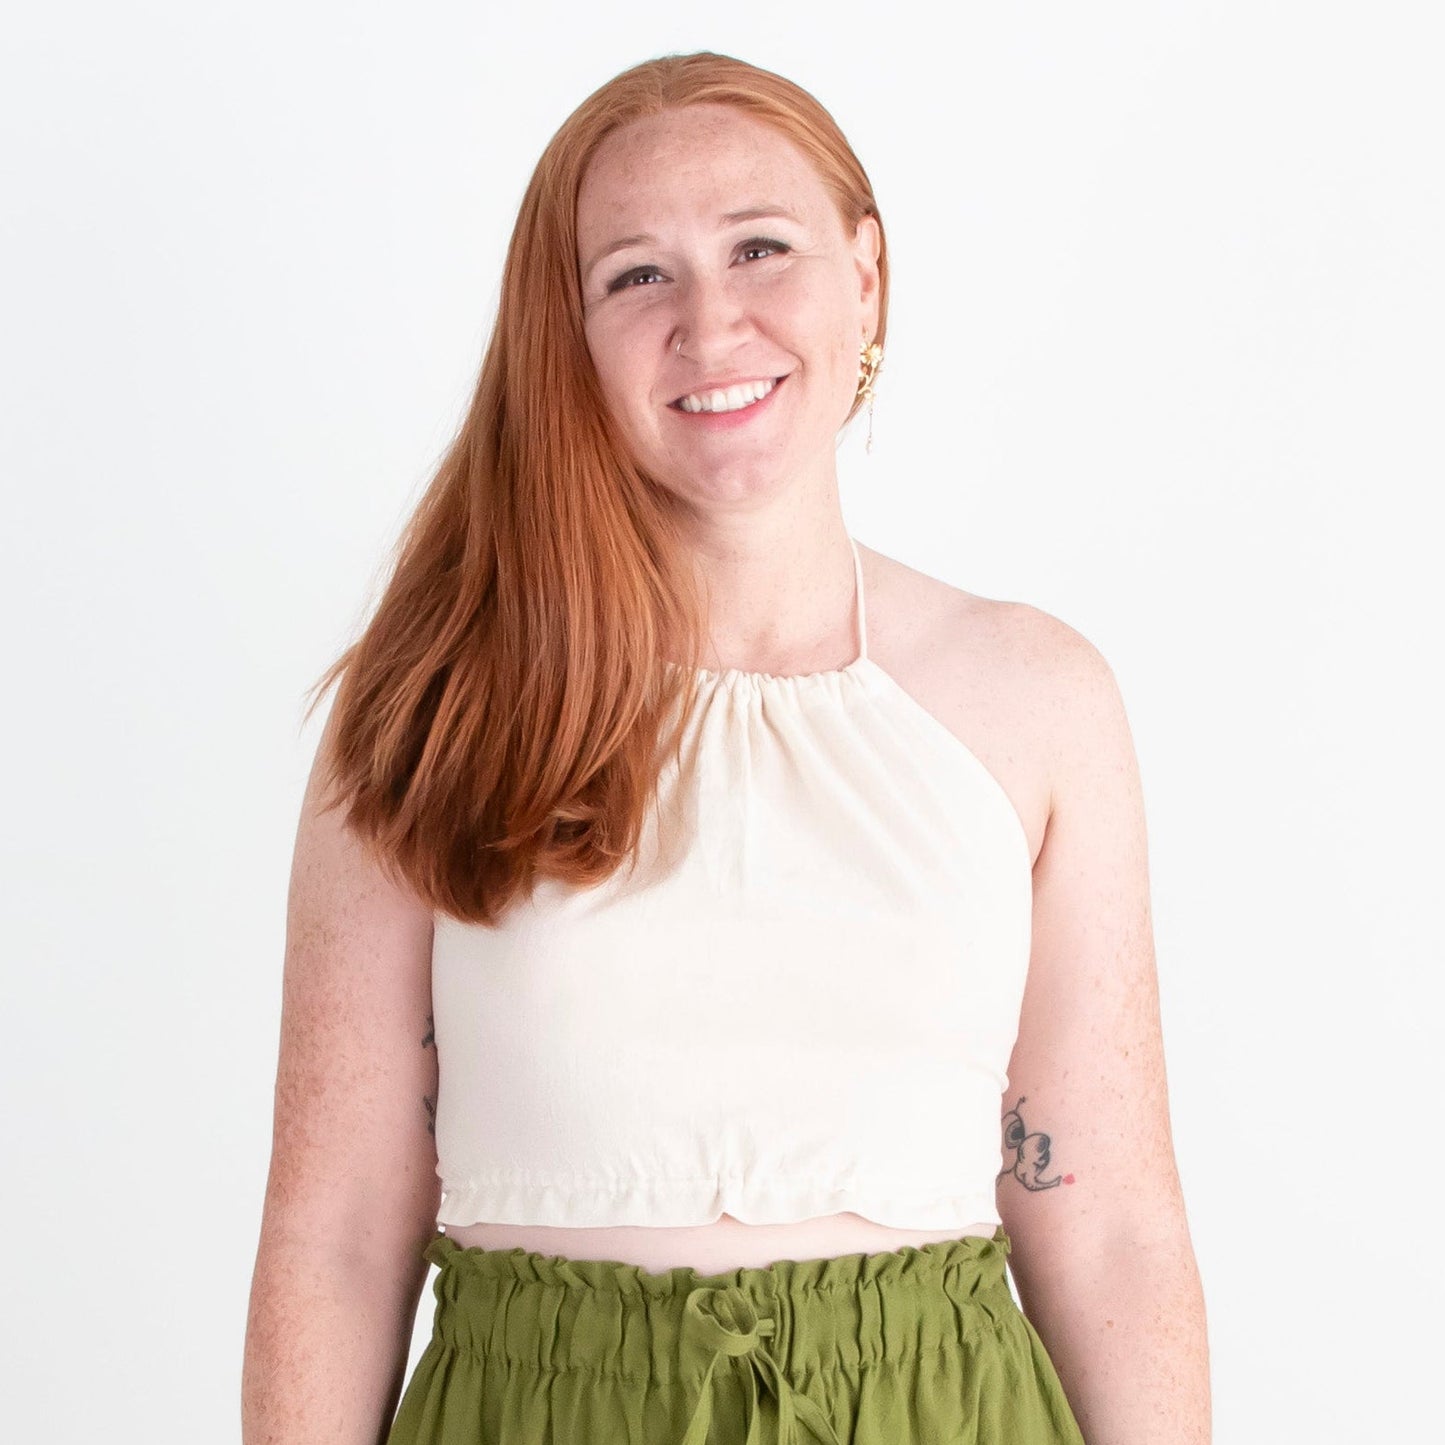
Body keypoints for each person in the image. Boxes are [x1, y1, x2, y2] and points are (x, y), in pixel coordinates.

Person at [242, 49, 1210, 1445]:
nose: (711, 322)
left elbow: (1110, 1219)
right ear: (563, 332)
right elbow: (332, 1230)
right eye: (637, 274)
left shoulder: (1034, 699)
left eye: (761, 247)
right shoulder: (434, 705)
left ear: (862, 279)